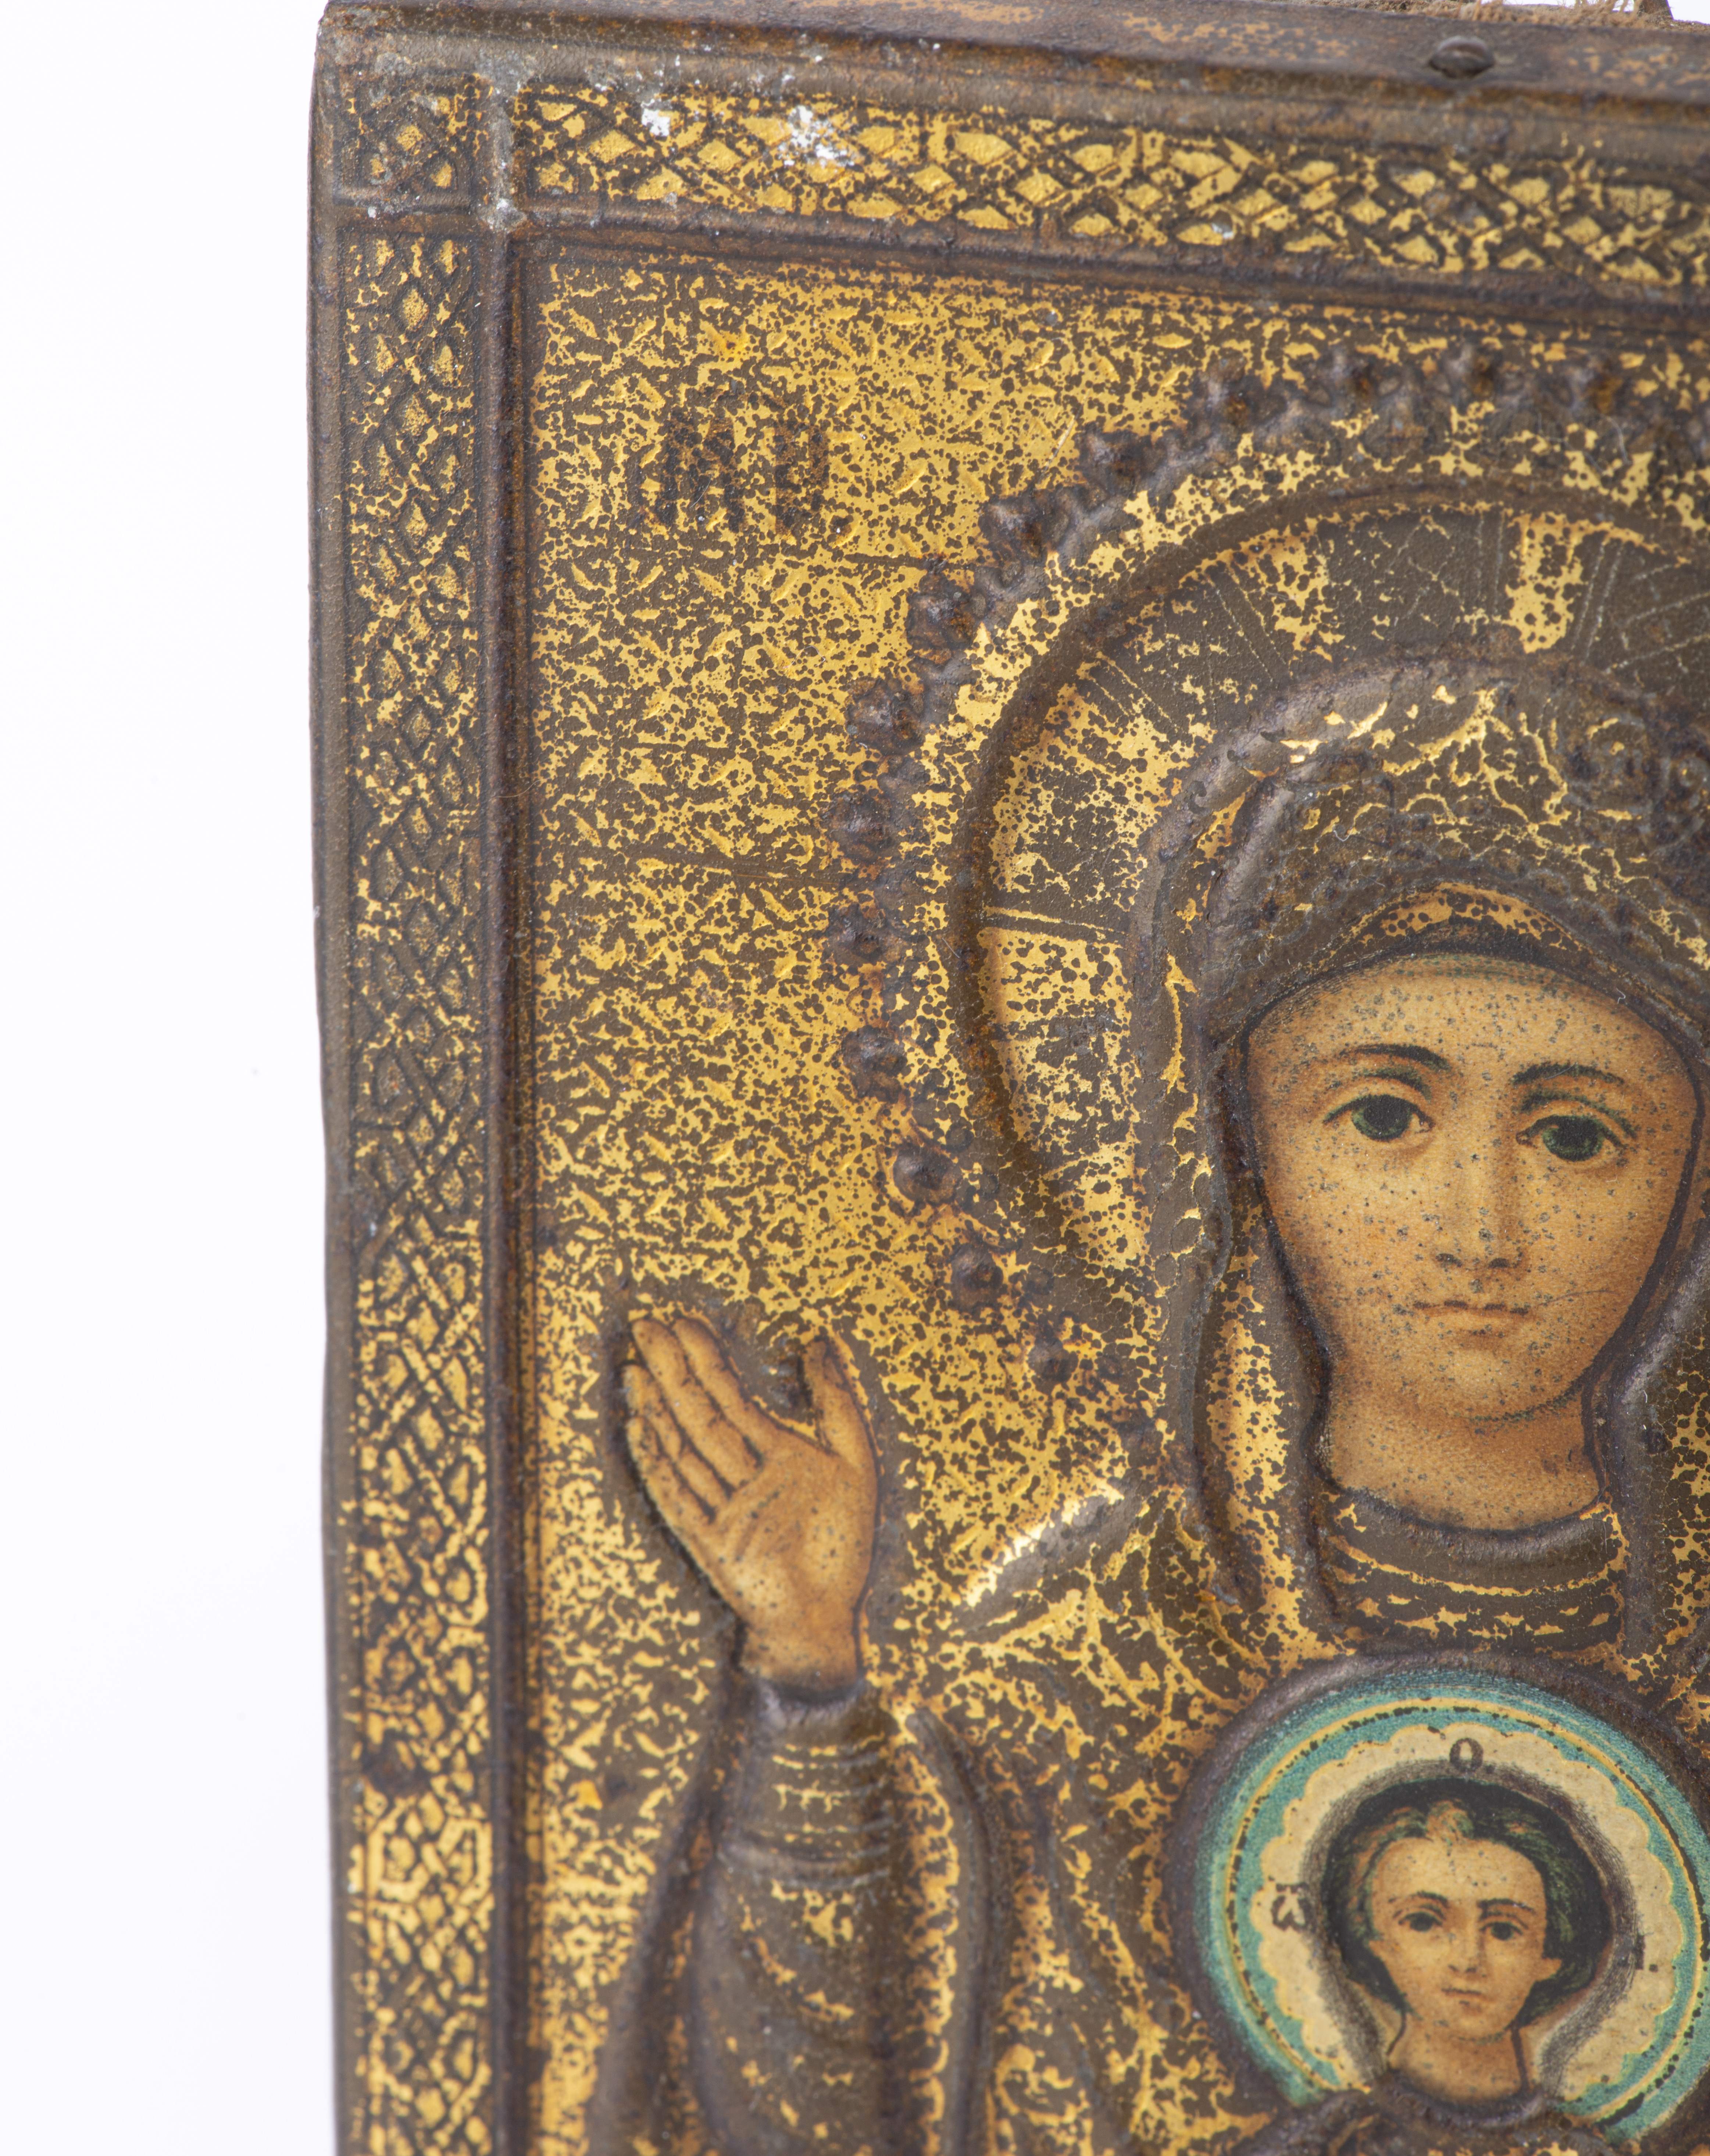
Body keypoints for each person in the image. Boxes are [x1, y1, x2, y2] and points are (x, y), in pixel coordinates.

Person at [603, 661, 1710, 2156]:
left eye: (1575, 1135)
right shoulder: (1071, 1661)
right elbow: (811, 2126)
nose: (1481, 1227)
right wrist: (808, 1678)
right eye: (1383, 1116)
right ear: (1239, 1150)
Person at [1245, 1778, 1619, 2156]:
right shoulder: (1332, 2141)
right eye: (1423, 1922)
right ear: (1372, 1940)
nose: (1467, 1961)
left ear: (1550, 1955)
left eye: (1504, 1930)